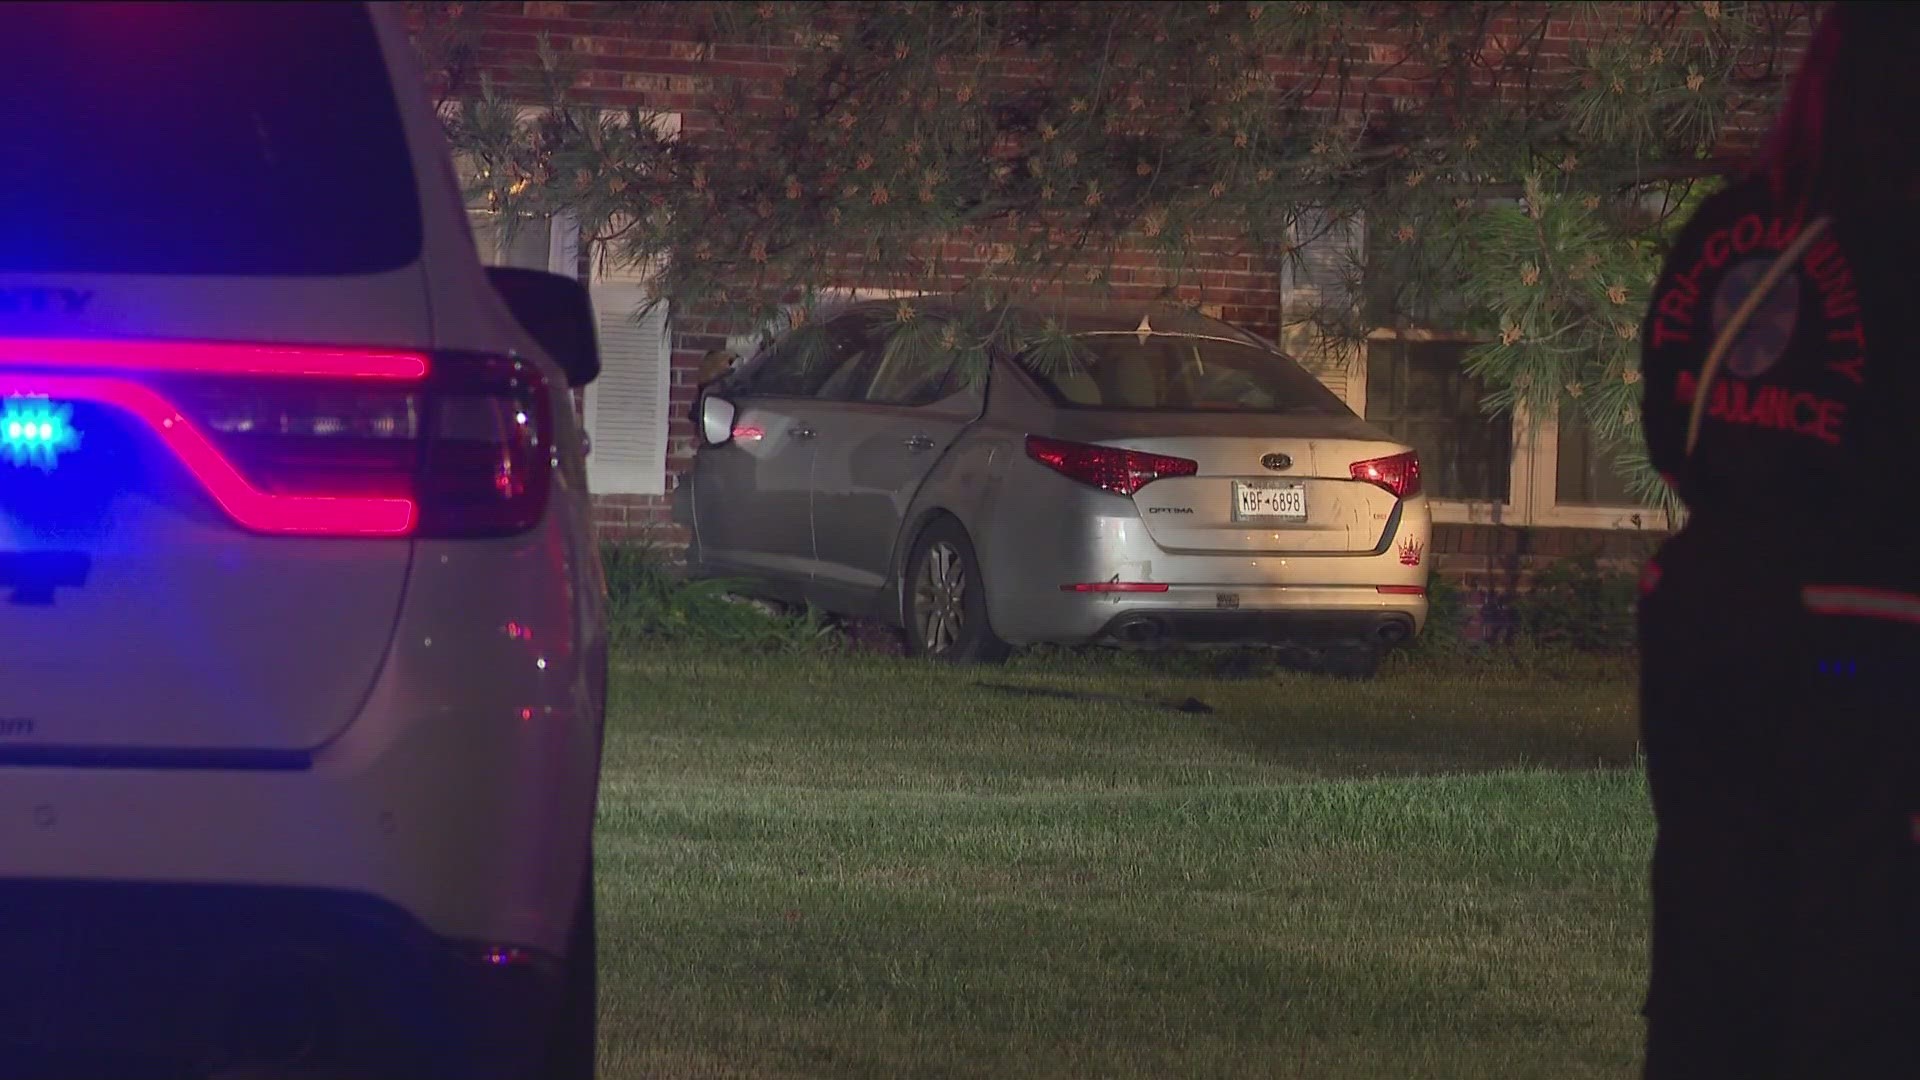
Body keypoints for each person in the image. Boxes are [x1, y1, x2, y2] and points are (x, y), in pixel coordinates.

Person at [1636, 4, 1920, 1076]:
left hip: (1706, 619)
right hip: (1871, 639)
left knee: (1717, 910)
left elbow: (1675, 429)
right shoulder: (1901, 247)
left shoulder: (1729, 230)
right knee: (1863, 953)